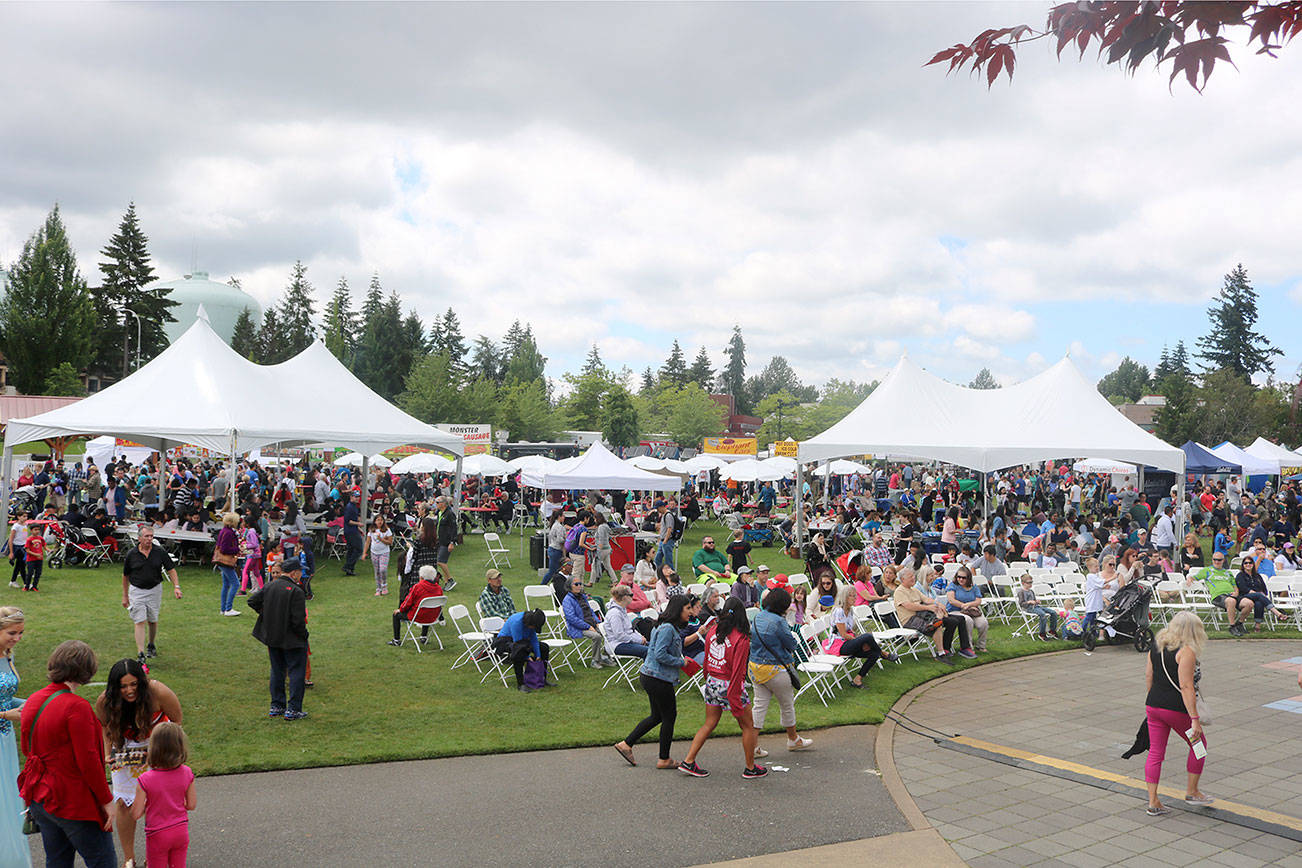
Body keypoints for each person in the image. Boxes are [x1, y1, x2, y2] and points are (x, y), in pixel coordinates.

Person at [19, 640, 116, 868]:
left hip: (41, 799)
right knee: (103, 861)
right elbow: (89, 762)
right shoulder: (76, 707)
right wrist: (106, 800)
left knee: (57, 861)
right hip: (73, 802)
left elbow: (27, 748)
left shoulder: (34, 699)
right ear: (86, 670)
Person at [94, 657, 183, 868]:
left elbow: (177, 720)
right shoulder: (105, 700)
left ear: (141, 682)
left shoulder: (157, 692)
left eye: (133, 684)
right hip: (124, 748)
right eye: (123, 686)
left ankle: (156, 856)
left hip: (157, 744)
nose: (129, 690)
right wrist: (108, 754)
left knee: (158, 803)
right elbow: (106, 729)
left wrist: (163, 749)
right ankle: (129, 859)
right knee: (125, 803)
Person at [679, 598, 764, 779]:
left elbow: (708, 660)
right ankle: (750, 767)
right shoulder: (741, 639)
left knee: (709, 723)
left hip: (712, 681)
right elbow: (739, 672)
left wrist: (707, 679)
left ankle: (689, 760)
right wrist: (735, 698)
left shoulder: (713, 630)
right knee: (748, 726)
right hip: (730, 685)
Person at [1143, 612, 1212, 815]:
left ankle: (1153, 801)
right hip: (1176, 709)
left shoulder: (1157, 645)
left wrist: (1153, 700)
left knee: (1156, 753)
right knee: (1199, 745)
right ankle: (1192, 791)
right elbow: (1186, 686)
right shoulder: (1186, 651)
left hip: (1154, 705)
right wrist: (1195, 719)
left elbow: (1149, 675)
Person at [614, 595, 691, 769]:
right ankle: (664, 759)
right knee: (669, 716)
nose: (690, 612)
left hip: (651, 676)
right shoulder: (667, 629)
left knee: (657, 716)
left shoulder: (664, 626)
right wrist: (681, 662)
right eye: (687, 608)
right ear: (678, 610)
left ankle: (626, 744)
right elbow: (660, 655)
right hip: (658, 678)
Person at [748, 587, 814, 757]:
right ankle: (793, 739)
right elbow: (791, 644)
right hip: (776, 670)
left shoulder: (758, 616)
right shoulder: (779, 622)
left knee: (759, 707)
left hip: (756, 668)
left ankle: (753, 746)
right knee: (787, 705)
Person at [249, 557, 310, 721]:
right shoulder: (296, 591)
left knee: (277, 670)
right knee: (296, 672)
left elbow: (252, 600)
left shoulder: (270, 586)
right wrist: (304, 635)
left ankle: (277, 706)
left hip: (273, 636)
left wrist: (266, 613)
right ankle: (294, 709)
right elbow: (298, 621)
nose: (301, 574)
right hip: (292, 639)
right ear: (294, 572)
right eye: (300, 571)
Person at [130, 722, 195, 868]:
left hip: (157, 833)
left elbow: (135, 814)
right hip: (180, 830)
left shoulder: (145, 779)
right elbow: (191, 805)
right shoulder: (187, 772)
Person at [122, 526, 183, 668]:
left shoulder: (159, 552)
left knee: (152, 620)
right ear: (139, 538)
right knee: (139, 620)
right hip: (136, 590)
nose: (150, 539)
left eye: (151, 536)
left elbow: (171, 570)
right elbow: (125, 576)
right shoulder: (132, 554)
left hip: (155, 589)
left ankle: (151, 644)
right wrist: (125, 596)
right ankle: (141, 653)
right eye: (147, 536)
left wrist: (176, 587)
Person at [0, 608, 30, 867]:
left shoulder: (8, 657)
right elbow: (4, 707)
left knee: (8, 795)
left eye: (20, 633)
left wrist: (34, 703)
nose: (17, 638)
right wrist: (5, 714)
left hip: (5, 740)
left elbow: (6, 697)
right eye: (11, 633)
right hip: (3, 728)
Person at [893, 567, 973, 662]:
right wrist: (928, 607)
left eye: (913, 576)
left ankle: (948, 650)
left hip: (922, 615)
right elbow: (909, 606)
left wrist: (938, 604)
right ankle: (941, 653)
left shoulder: (914, 590)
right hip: (910, 620)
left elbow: (926, 599)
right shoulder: (899, 591)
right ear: (903, 579)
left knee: (951, 620)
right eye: (910, 577)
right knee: (937, 624)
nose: (913, 578)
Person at [827, 586, 894, 688]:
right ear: (845, 597)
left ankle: (857, 680)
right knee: (868, 636)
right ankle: (884, 653)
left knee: (874, 653)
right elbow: (843, 634)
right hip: (839, 645)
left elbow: (851, 631)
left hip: (848, 642)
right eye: (852, 596)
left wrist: (860, 642)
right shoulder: (839, 611)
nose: (854, 598)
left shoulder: (850, 610)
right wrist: (859, 642)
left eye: (855, 596)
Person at [493, 609, 551, 693]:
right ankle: (521, 684)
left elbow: (534, 640)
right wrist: (527, 657)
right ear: (529, 624)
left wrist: (538, 655)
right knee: (519, 653)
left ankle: (542, 678)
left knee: (544, 648)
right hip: (506, 641)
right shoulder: (517, 623)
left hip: (523, 641)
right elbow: (518, 644)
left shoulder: (532, 620)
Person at [563, 576, 615, 668]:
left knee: (608, 631)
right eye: (576, 584)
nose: (579, 586)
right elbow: (571, 618)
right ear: (569, 586)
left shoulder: (582, 597)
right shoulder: (567, 600)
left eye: (580, 584)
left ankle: (605, 656)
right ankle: (595, 660)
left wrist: (598, 622)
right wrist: (587, 626)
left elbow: (590, 611)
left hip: (591, 623)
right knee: (597, 636)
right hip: (577, 627)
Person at [1192, 553, 1250, 636]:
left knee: (1249, 603)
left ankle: (1239, 623)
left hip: (1232, 595)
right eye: (1214, 559)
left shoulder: (1228, 573)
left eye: (1219, 560)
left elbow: (1235, 586)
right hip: (1218, 596)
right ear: (1212, 560)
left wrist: (1236, 593)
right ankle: (1232, 626)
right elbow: (1194, 577)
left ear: (1223, 560)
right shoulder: (1207, 571)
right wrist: (1189, 579)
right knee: (1231, 601)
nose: (1216, 561)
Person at [388, 565, 444, 646]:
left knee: (396, 614)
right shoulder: (438, 588)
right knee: (428, 609)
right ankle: (423, 637)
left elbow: (407, 603)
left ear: (421, 577)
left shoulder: (418, 587)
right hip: (433, 617)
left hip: (418, 616)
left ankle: (396, 640)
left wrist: (400, 610)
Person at [1234, 554, 1286, 631]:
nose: (1248, 564)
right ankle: (1277, 613)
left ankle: (1257, 626)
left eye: (1250, 563)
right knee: (1259, 595)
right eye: (1246, 563)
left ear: (1253, 564)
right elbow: (1243, 588)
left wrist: (1262, 594)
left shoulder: (1257, 576)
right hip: (1244, 597)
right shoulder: (1240, 575)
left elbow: (1264, 588)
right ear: (1243, 565)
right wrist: (1255, 593)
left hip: (1258, 597)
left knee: (1259, 602)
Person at [946, 568, 989, 653]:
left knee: (983, 623)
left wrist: (969, 605)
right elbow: (951, 600)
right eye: (959, 577)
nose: (961, 579)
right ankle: (968, 646)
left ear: (968, 578)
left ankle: (981, 645)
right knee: (968, 621)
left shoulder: (974, 587)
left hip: (971, 610)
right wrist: (962, 605)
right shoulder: (953, 585)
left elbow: (978, 600)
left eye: (963, 577)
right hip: (955, 610)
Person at [604, 585, 648, 659]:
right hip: (617, 645)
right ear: (624, 597)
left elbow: (630, 630)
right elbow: (620, 636)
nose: (633, 597)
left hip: (625, 641)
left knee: (655, 647)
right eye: (631, 595)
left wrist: (640, 637)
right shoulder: (615, 613)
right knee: (648, 651)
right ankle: (649, 670)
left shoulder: (622, 610)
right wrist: (639, 640)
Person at [213, 512, 241, 616]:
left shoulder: (223, 531)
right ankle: (228, 609)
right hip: (225, 562)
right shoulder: (229, 533)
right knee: (235, 583)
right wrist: (237, 549)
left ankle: (223, 608)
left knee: (226, 584)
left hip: (221, 561)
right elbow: (225, 549)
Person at [1016, 574, 1060, 640]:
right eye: (1028, 583)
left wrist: (1036, 601)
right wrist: (1029, 602)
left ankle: (1052, 630)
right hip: (1028, 608)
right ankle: (1042, 633)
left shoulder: (1031, 591)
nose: (1030, 584)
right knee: (1042, 614)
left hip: (1036, 607)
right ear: (1023, 583)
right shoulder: (1021, 592)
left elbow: (1034, 600)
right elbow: (1021, 603)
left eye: (1031, 582)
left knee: (1053, 612)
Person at [363, 514, 394, 596]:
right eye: (378, 520)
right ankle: (378, 588)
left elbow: (390, 542)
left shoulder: (387, 530)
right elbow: (368, 542)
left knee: (382, 570)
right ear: (375, 521)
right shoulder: (372, 530)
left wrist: (381, 539)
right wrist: (364, 553)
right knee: (377, 571)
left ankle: (384, 585)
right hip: (374, 552)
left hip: (384, 552)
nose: (379, 522)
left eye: (381, 520)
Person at [433, 495, 459, 590]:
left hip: (446, 541)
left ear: (443, 503)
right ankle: (446, 581)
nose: (436, 504)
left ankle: (450, 579)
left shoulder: (449, 514)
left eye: (437, 502)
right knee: (440, 561)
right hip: (440, 540)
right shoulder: (440, 513)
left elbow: (454, 528)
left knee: (440, 561)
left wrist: (452, 542)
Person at [237, 513, 263, 597]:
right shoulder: (252, 531)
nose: (242, 523)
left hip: (252, 554)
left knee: (245, 571)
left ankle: (243, 590)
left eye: (243, 522)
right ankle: (262, 589)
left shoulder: (251, 532)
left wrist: (245, 546)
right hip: (255, 554)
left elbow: (254, 544)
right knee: (256, 572)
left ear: (247, 523)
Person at [342, 491, 364, 576]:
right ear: (351, 497)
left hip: (353, 530)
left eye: (358, 497)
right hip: (350, 531)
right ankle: (347, 566)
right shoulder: (349, 507)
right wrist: (358, 524)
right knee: (359, 549)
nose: (357, 498)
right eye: (356, 497)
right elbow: (348, 521)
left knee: (351, 550)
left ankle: (349, 570)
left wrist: (358, 528)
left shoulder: (354, 506)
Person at [6, 510, 28, 590]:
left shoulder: (25, 525)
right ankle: (26, 583)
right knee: (22, 565)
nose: (25, 518)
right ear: (18, 517)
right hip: (17, 547)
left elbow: (24, 537)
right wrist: (11, 552)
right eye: (23, 516)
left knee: (19, 565)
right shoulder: (15, 526)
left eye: (26, 516)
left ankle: (13, 581)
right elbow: (11, 539)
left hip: (23, 546)